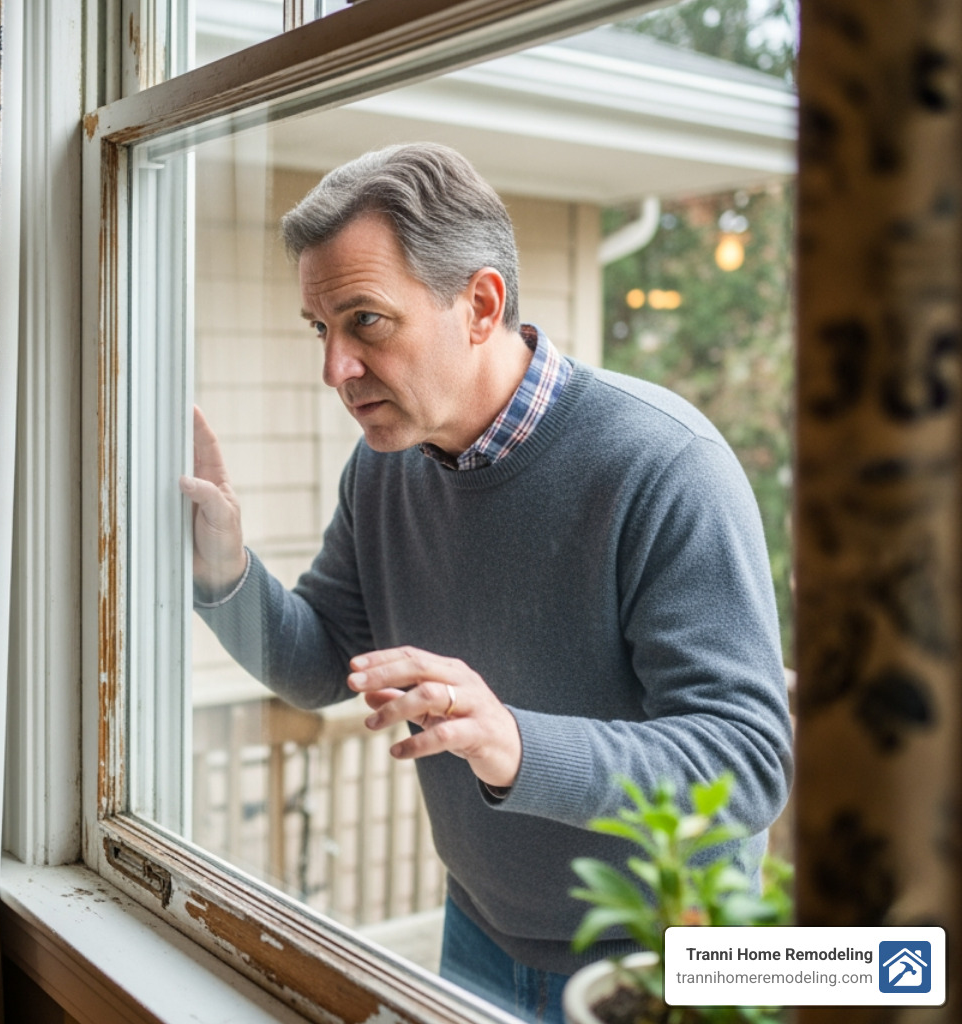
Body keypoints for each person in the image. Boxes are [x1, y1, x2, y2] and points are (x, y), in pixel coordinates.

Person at [178, 142, 792, 1023]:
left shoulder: (665, 465)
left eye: (366, 321)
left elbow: (746, 761)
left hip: (667, 958)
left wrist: (514, 742)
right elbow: (322, 666)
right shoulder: (383, 470)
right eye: (323, 330)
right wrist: (224, 570)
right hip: (478, 933)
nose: (335, 370)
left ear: (480, 303)